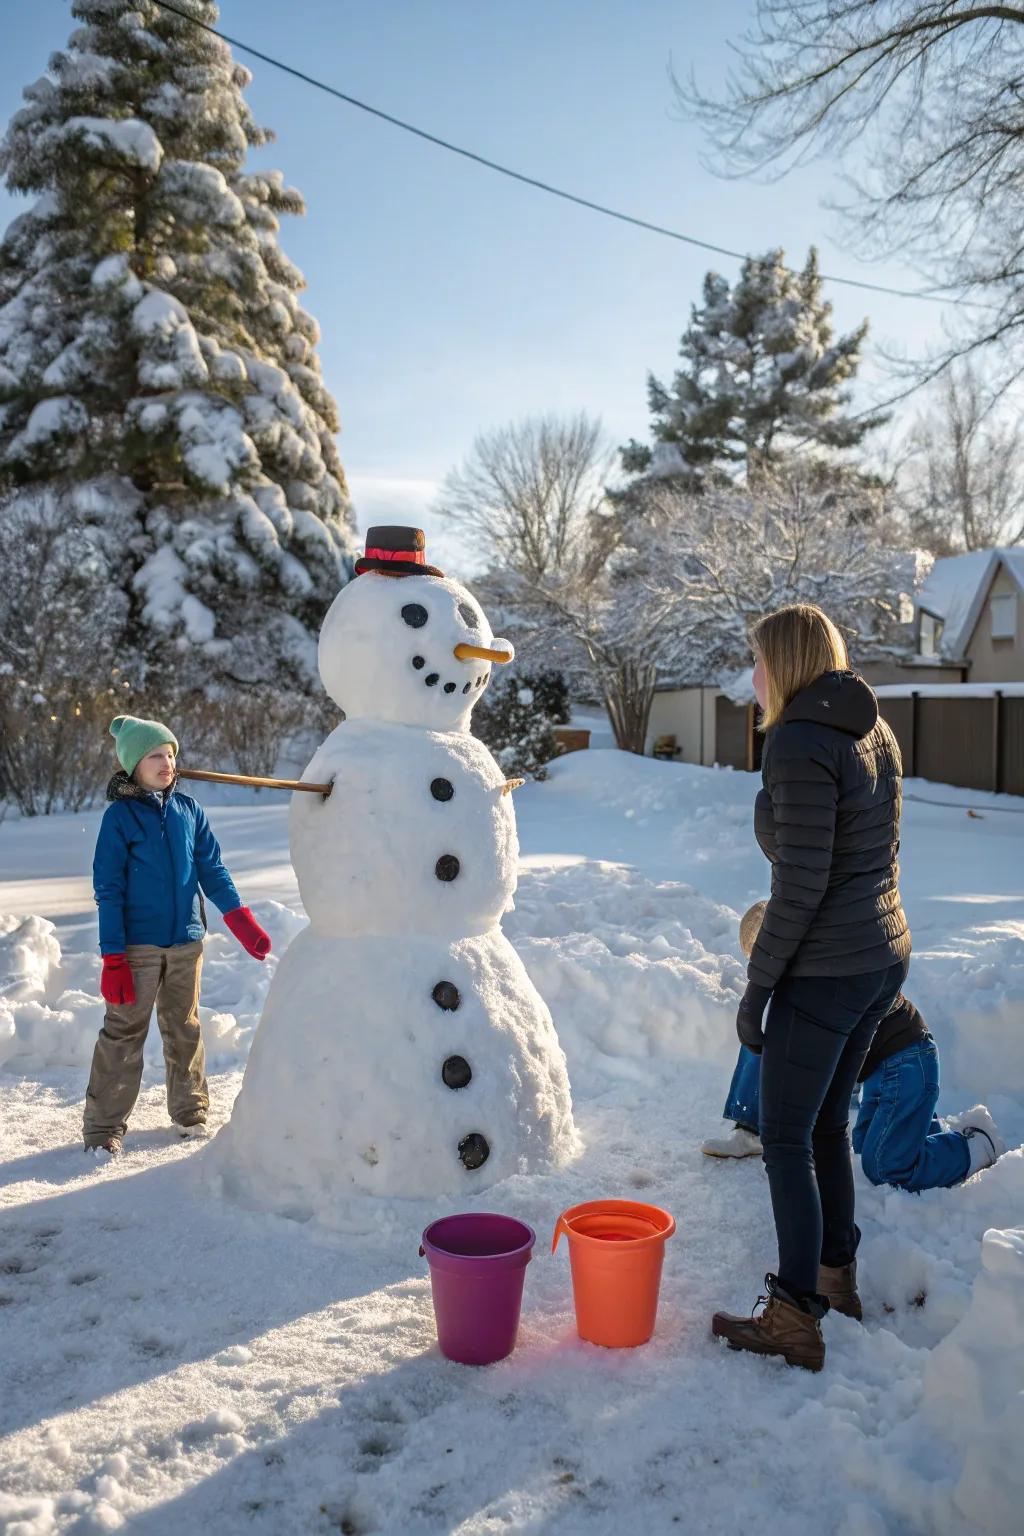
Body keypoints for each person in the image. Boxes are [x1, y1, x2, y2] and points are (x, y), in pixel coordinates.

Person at [710, 604, 911, 1373]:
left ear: (787, 662)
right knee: (826, 1124)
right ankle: (836, 1279)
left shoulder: (796, 741)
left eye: (759, 661)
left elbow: (800, 883)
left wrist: (757, 991)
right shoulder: (872, 729)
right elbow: (860, 852)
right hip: (880, 955)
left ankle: (795, 1316)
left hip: (829, 967)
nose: (753, 677)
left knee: (787, 1135)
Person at [706, 904, 1006, 1195]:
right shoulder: (799, 982)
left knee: (884, 1167)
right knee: (864, 1144)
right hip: (875, 1071)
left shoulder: (831, 973)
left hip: (908, 1063)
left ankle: (977, 1143)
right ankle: (751, 1129)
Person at [84, 714, 272, 1155]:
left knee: (184, 1027)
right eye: (155, 755)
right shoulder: (120, 818)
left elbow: (212, 868)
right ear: (133, 765)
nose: (166, 762)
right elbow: (107, 888)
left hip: (187, 941)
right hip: (137, 947)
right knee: (124, 1033)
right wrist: (113, 955)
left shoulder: (189, 810)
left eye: (170, 753)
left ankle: (190, 1111)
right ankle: (103, 1128)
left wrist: (238, 917)